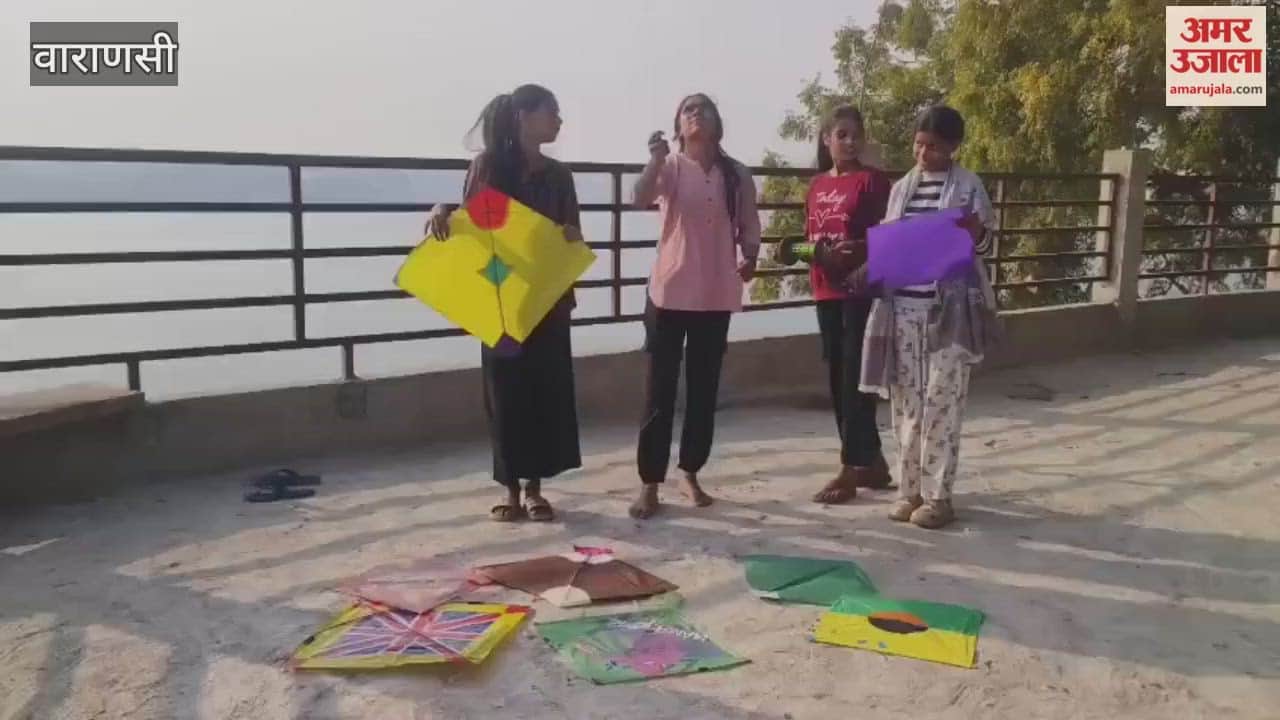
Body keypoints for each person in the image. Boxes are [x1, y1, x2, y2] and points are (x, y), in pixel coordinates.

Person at [424, 84, 585, 523]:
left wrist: (570, 237)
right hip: (500, 299)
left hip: (547, 298)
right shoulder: (489, 167)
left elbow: (574, 235)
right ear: (524, 117)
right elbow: (470, 224)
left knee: (544, 392)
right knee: (506, 394)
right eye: (551, 112)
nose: (558, 121)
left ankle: (536, 489)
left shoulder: (559, 176)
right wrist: (442, 209)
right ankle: (511, 489)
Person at [859, 105, 999, 529]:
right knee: (906, 403)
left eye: (933, 147)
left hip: (948, 313)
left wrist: (973, 232)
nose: (923, 153)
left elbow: (987, 243)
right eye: (919, 144)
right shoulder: (902, 188)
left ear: (953, 147)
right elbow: (891, 243)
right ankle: (909, 489)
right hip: (902, 309)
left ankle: (938, 497)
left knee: (942, 402)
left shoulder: (969, 187)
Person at [628, 93, 762, 519]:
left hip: (716, 292)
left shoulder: (735, 174)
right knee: (658, 390)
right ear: (678, 124)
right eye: (688, 110)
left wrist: (751, 254)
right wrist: (654, 158)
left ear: (718, 122)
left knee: (704, 390)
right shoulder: (669, 167)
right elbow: (638, 197)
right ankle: (649, 482)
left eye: (704, 108)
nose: (697, 114)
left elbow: (749, 223)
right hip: (669, 292)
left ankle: (690, 471)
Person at [787, 105, 894, 505]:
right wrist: (815, 252)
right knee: (837, 379)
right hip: (825, 291)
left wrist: (862, 250)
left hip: (859, 291)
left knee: (854, 380)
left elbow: (892, 235)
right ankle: (874, 462)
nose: (850, 142)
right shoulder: (815, 186)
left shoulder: (873, 182)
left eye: (856, 135)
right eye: (842, 135)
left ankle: (851, 468)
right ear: (826, 139)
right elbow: (800, 244)